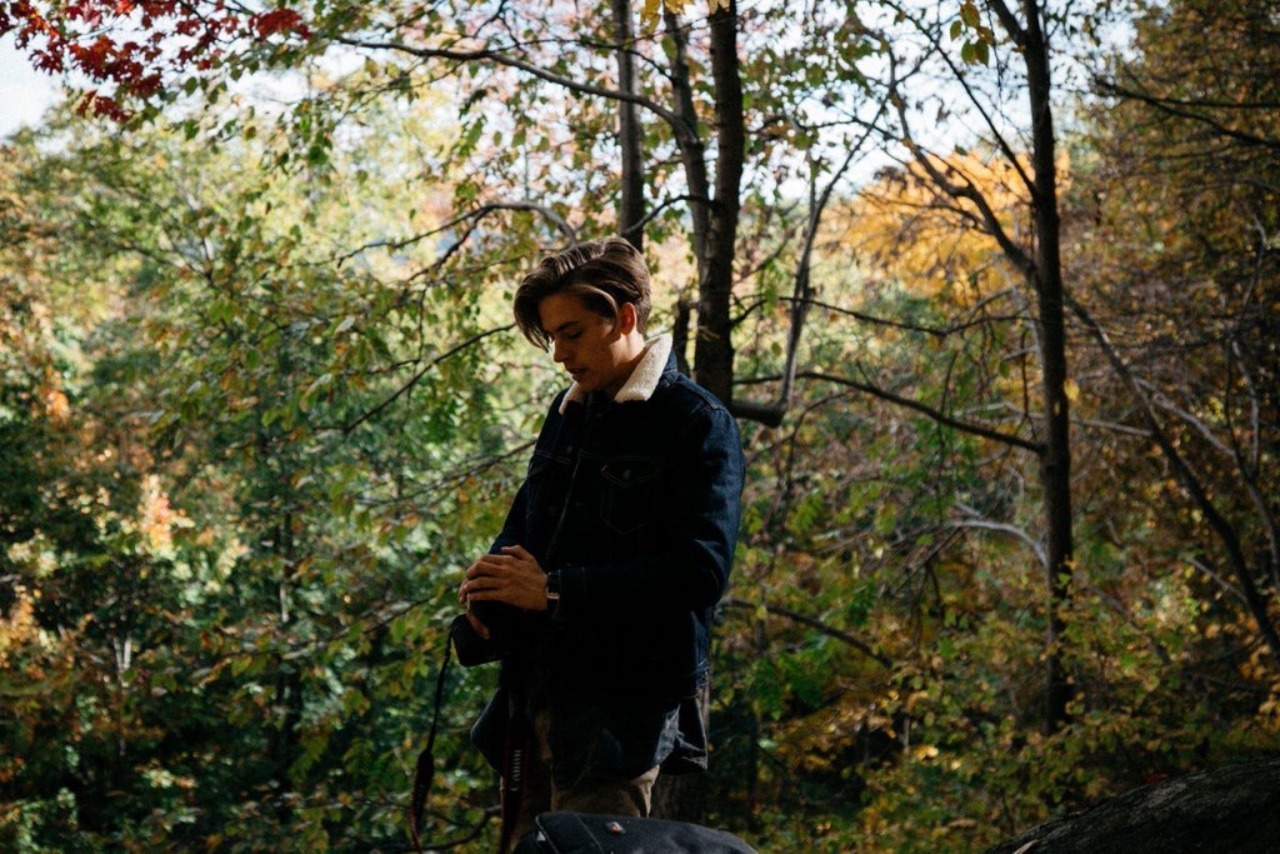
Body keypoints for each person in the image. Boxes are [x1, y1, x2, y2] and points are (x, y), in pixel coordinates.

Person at [454, 236, 745, 851]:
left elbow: (702, 570)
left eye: (572, 334)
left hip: (620, 720)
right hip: (532, 705)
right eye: (551, 338)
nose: (560, 354)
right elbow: (523, 532)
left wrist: (554, 591)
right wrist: (490, 597)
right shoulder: (568, 414)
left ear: (626, 318)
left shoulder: (696, 422)